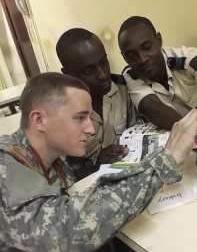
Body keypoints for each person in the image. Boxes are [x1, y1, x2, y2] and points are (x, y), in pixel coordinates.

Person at [0, 72, 197, 252]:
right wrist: (167, 159)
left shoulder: (53, 162)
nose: (91, 128)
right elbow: (65, 236)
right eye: (80, 118)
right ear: (39, 120)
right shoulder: (5, 166)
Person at [118, 16, 197, 154]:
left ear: (159, 40)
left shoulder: (187, 57)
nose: (142, 59)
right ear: (124, 58)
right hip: (180, 143)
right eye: (132, 55)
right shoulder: (131, 76)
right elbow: (149, 107)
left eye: (147, 48)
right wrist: (192, 131)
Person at [56, 28, 140, 180]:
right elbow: (59, 179)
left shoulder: (122, 89)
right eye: (88, 71)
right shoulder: (58, 112)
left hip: (127, 176)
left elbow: (137, 135)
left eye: (103, 62)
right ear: (67, 74)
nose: (102, 75)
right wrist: (97, 167)